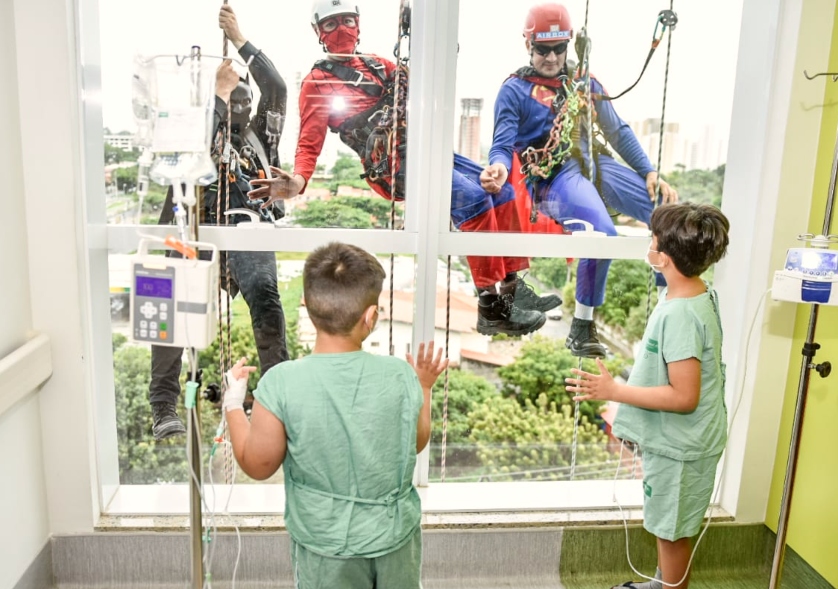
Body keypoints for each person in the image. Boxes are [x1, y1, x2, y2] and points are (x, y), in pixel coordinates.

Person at [248, 0, 560, 338]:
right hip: (392, 167)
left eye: (347, 20)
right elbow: (310, 141)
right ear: (318, 32)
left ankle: (514, 292)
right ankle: (491, 307)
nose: (342, 29)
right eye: (331, 24)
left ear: (359, 24)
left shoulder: (380, 65)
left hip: (422, 147)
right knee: (474, 201)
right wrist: (298, 181)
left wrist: (433, 40)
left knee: (504, 193)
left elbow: (423, 78)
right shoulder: (317, 82)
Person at [223, 241, 448, 589]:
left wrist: (232, 404)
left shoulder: (282, 382)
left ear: (308, 309)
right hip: (394, 538)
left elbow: (258, 464)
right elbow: (414, 442)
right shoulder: (400, 376)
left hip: (327, 546)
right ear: (371, 316)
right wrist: (424, 387)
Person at [565, 202, 730, 589]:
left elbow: (684, 395)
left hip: (683, 444)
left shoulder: (679, 314)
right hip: (686, 440)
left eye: (653, 239)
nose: (649, 244)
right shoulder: (696, 291)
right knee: (668, 520)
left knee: (671, 530)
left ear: (664, 258)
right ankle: (662, 587)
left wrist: (614, 391)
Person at [480, 2, 678, 358]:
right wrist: (498, 168)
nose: (552, 57)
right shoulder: (515, 90)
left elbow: (616, 131)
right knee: (600, 235)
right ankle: (582, 327)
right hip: (553, 179)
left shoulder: (583, 82)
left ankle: (671, 299)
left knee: (669, 214)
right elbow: (502, 142)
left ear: (568, 44)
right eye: (543, 49)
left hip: (596, 166)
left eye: (559, 48)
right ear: (529, 45)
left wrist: (649, 171)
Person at [149, 4, 289, 440]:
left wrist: (241, 39)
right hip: (195, 227)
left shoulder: (259, 138)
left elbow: (277, 88)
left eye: (242, 100)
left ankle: (281, 394)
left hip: (245, 226)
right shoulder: (191, 131)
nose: (239, 107)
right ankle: (163, 404)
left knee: (265, 296)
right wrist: (217, 96)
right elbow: (190, 161)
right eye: (231, 101)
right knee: (169, 302)